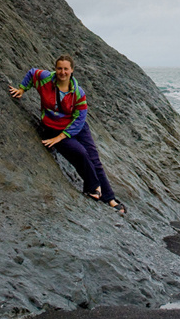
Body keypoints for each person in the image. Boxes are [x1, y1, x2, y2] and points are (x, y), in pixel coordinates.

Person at [9, 54, 126, 214]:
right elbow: (32, 73)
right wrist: (22, 89)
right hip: (53, 127)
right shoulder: (45, 79)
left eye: (66, 69)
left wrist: (60, 138)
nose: (62, 72)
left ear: (71, 70)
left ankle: (109, 198)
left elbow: (79, 120)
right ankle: (93, 187)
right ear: (55, 69)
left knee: (94, 159)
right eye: (59, 68)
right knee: (80, 153)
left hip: (76, 127)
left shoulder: (78, 92)